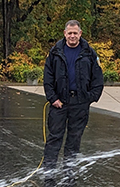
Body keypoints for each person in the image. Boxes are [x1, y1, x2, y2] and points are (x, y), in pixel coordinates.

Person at [42, 20, 104, 169]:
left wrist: (90, 97)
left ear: (80, 33)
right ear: (64, 33)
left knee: (74, 138)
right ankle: (49, 169)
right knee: (54, 137)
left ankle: (68, 170)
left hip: (80, 103)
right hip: (59, 102)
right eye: (69, 33)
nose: (72, 36)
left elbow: (98, 78)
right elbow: (48, 78)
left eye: (75, 33)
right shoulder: (55, 52)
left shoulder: (89, 53)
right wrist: (53, 98)